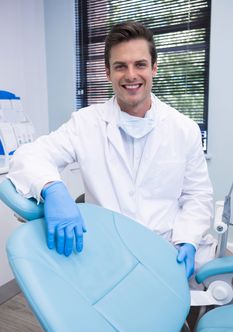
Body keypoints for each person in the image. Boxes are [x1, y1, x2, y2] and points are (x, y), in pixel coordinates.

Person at [7, 21, 216, 280]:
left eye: (140, 64)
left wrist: (188, 240)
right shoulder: (86, 123)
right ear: (107, 72)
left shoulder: (184, 129)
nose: (131, 75)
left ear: (154, 68)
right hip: (107, 256)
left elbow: (198, 195)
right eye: (120, 66)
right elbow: (30, 155)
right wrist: (53, 188)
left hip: (165, 252)